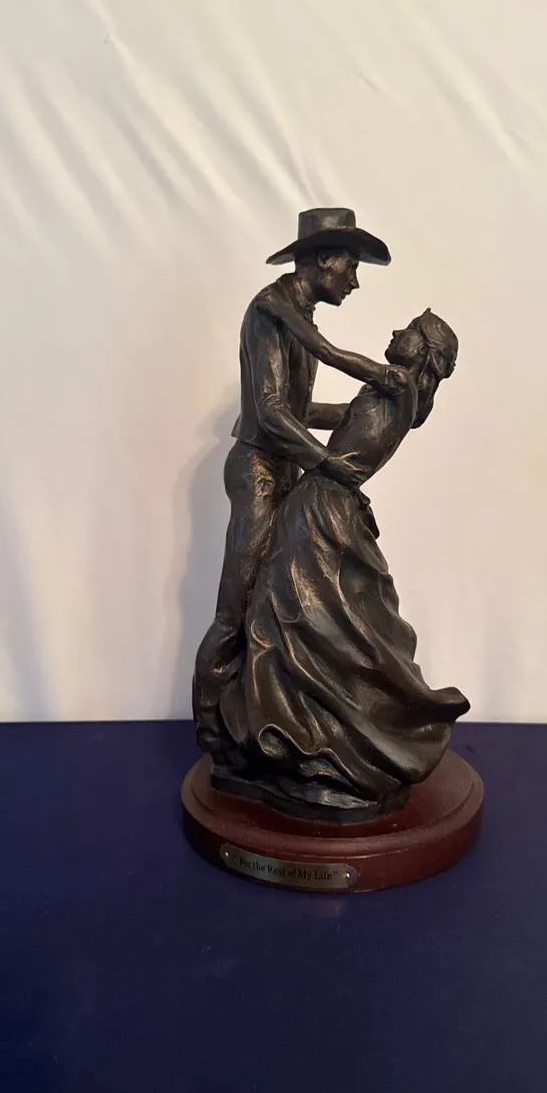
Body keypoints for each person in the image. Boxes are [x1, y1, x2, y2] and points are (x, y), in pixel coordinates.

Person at [212, 309, 470, 820]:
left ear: (425, 355)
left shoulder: (398, 384)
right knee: (311, 615)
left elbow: (336, 357)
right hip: (328, 501)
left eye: (408, 332)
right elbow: (330, 416)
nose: (395, 333)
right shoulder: (385, 395)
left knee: (289, 609)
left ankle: (311, 737)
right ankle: (306, 729)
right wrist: (268, 414)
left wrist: (296, 328)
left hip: (323, 504)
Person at [193, 208, 403, 758]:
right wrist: (327, 462)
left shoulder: (298, 310)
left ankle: (267, 722)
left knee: (279, 600)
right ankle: (213, 732)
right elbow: (268, 411)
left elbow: (296, 408)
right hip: (260, 471)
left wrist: (362, 414)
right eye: (351, 267)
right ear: (323, 260)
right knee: (237, 606)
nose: (354, 281)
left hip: (284, 466)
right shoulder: (272, 308)